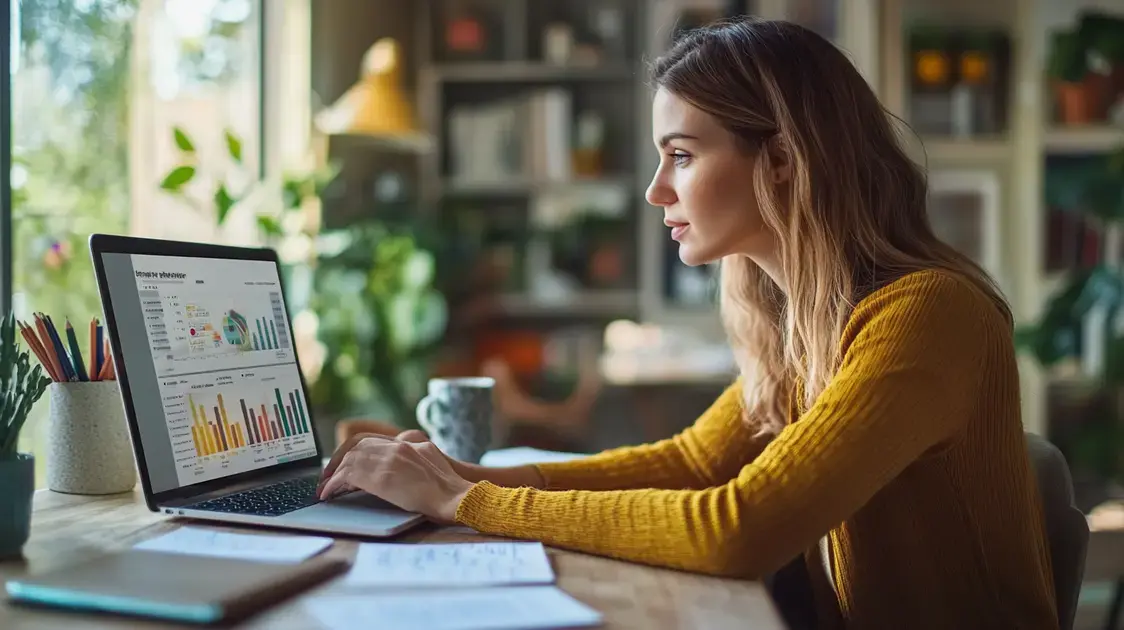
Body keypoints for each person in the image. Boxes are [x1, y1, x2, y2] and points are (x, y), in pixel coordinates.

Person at [317, 18, 1058, 629]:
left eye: (681, 154)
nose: (654, 189)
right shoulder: (805, 321)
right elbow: (694, 464)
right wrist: (460, 473)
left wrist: (465, 502)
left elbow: (738, 530)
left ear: (782, 161)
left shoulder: (928, 314)